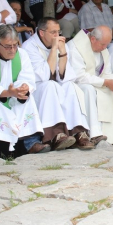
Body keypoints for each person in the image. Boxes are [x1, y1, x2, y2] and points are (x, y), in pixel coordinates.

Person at [0, 25, 50, 160]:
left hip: (13, 97)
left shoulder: (22, 54)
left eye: (15, 45)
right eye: (7, 46)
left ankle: (32, 143)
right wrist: (8, 92)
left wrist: (22, 88)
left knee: (27, 99)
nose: (12, 50)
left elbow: (28, 77)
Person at [22, 18, 95, 149]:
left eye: (58, 32)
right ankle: (55, 135)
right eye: (53, 32)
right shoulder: (29, 47)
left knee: (70, 86)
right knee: (50, 85)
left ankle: (78, 132)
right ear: (42, 33)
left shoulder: (62, 45)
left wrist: (63, 53)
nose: (57, 36)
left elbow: (66, 76)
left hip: (56, 85)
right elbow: (44, 75)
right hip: (38, 88)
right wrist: (54, 49)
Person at [68, 26, 113, 144]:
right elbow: (79, 76)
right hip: (78, 85)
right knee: (88, 89)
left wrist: (112, 82)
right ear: (93, 39)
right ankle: (94, 133)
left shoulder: (102, 48)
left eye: (106, 45)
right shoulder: (75, 47)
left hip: (97, 82)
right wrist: (105, 82)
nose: (104, 48)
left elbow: (107, 72)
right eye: (103, 45)